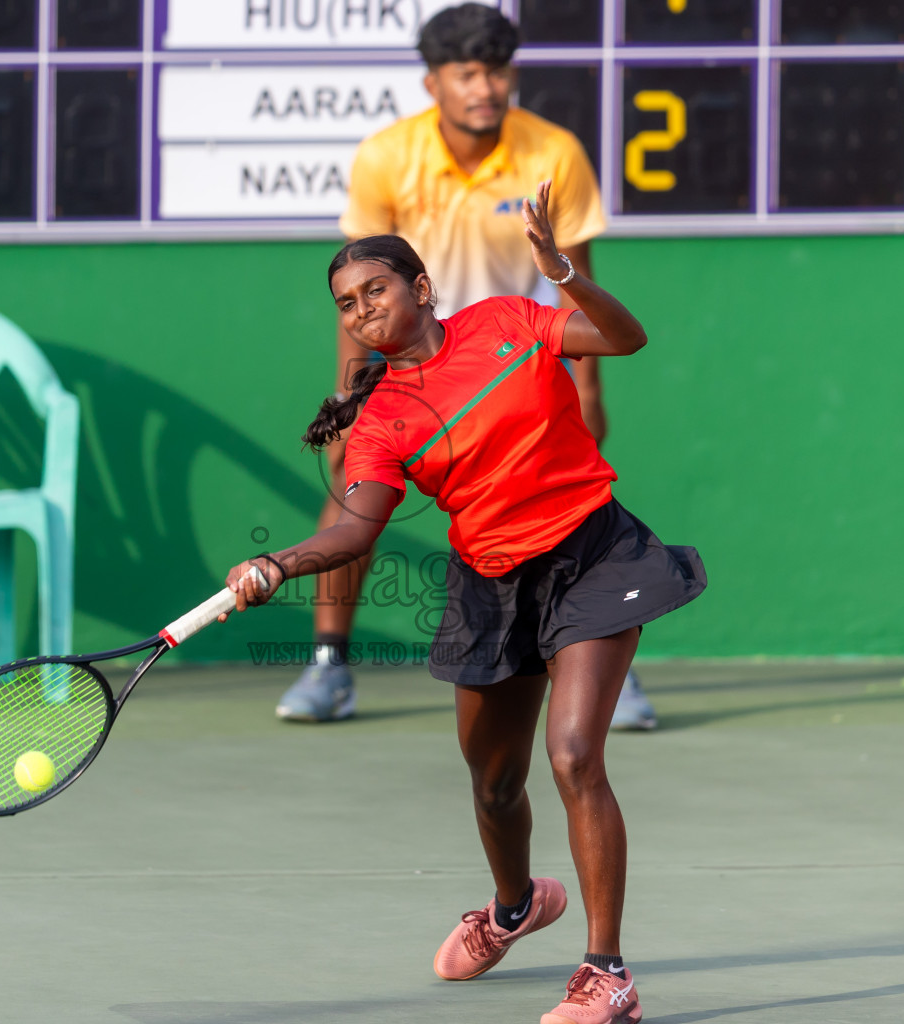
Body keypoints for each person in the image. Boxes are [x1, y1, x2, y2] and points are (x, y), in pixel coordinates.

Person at [222, 183, 705, 1024]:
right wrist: (276, 563)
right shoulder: (379, 422)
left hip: (592, 553)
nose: (364, 309)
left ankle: (607, 974)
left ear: (421, 288)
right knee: (493, 785)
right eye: (348, 303)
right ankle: (516, 905)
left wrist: (560, 269)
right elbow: (351, 532)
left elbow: (625, 339)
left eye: (376, 288)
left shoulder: (511, 322)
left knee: (574, 756)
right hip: (490, 588)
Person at [277, 2, 660, 730]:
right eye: (467, 73)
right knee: (350, 504)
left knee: (578, 517)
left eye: (498, 70)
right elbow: (362, 294)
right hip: (416, 374)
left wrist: (589, 388)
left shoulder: (555, 152)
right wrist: (350, 397)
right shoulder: (388, 156)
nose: (485, 87)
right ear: (434, 84)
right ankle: (329, 665)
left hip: (520, 361)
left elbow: (575, 275)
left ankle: (614, 673)